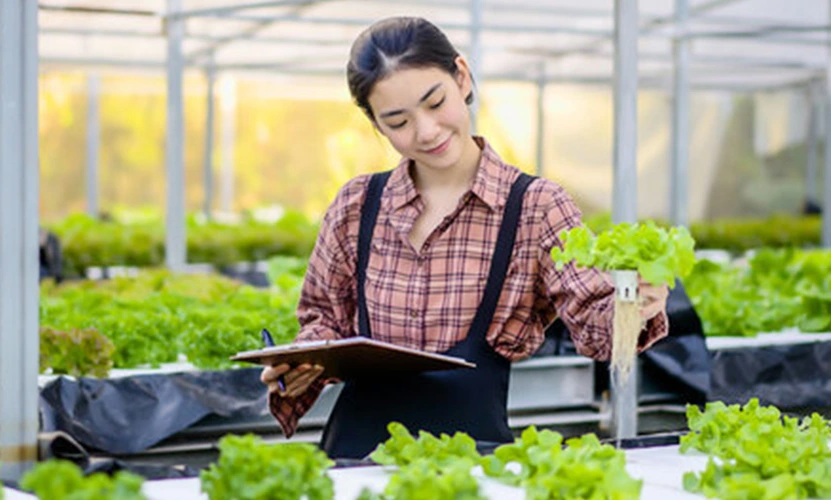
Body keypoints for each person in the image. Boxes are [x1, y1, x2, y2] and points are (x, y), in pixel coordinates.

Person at [260, 16, 671, 460]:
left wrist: (636, 303)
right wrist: (299, 363)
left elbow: (595, 327)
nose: (426, 131)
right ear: (376, 124)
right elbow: (323, 321)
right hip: (356, 458)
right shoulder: (357, 204)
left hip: (472, 463)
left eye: (435, 103)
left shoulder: (536, 207)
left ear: (462, 76)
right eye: (398, 121)